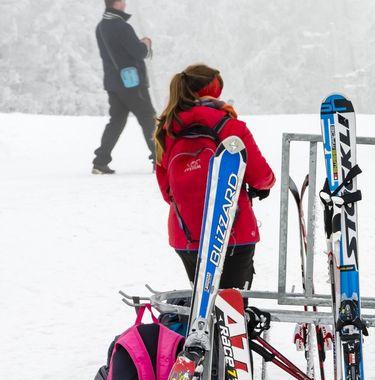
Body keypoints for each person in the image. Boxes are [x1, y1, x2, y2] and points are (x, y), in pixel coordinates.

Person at [154, 64, 275, 290]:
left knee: (203, 306)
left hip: (186, 236)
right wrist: (263, 185)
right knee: (233, 310)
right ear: (214, 90)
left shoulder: (166, 130)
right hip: (234, 235)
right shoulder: (230, 125)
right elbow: (262, 176)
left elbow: (167, 191)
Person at [92, 0, 156, 174]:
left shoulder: (101, 27)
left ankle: (100, 161)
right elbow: (139, 52)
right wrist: (145, 43)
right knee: (149, 119)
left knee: (117, 122)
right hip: (132, 84)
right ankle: (160, 160)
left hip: (113, 83)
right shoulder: (122, 27)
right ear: (117, 3)